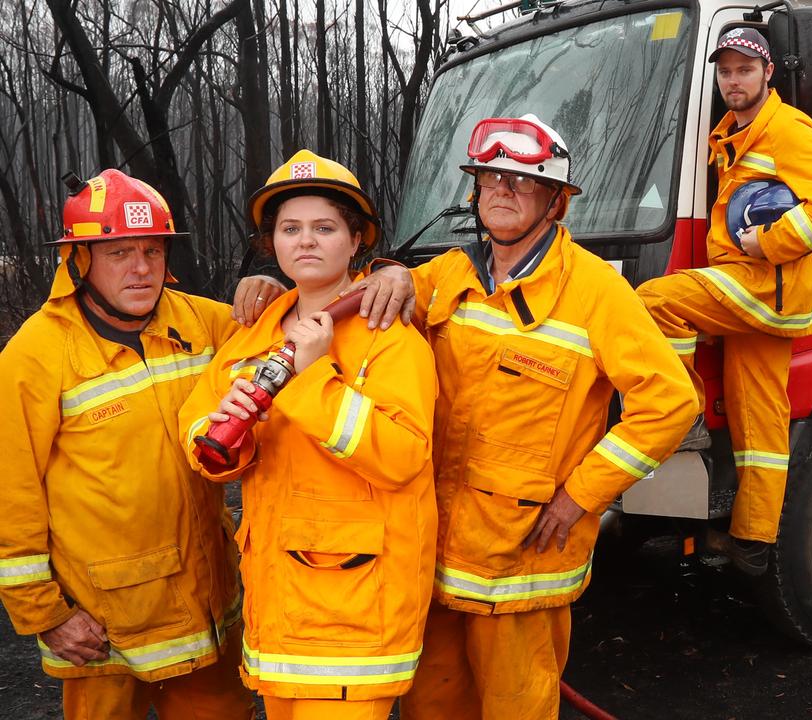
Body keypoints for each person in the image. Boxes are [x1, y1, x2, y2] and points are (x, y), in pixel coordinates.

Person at [238, 116, 698, 719]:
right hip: (432, 560)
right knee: (435, 707)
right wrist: (280, 292)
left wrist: (580, 497)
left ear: (556, 200)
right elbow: (345, 297)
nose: (501, 190)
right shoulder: (449, 275)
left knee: (516, 710)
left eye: (520, 180)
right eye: (489, 179)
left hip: (521, 561)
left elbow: (670, 404)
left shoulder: (596, 292)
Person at [178, 150, 438, 720]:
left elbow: (404, 455)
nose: (307, 241)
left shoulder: (389, 337)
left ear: (357, 240)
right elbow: (197, 429)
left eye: (325, 228)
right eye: (290, 229)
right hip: (277, 608)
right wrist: (231, 440)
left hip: (354, 611)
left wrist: (312, 377)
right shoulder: (255, 332)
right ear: (272, 245)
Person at [0, 169, 254, 719]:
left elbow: (293, 327)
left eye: (153, 250)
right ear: (81, 260)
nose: (142, 268)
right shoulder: (35, 355)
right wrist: (46, 614)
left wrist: (266, 290)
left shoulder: (202, 323)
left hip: (208, 613)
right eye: (120, 252)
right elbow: (10, 495)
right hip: (103, 628)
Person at [635, 28, 812, 576]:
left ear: (767, 74)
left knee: (652, 300)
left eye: (744, 70)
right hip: (758, 291)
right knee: (761, 426)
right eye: (726, 72)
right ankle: (753, 541)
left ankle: (678, 412)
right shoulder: (730, 133)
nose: (733, 81)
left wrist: (771, 240)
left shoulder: (786, 127)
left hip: (761, 286)